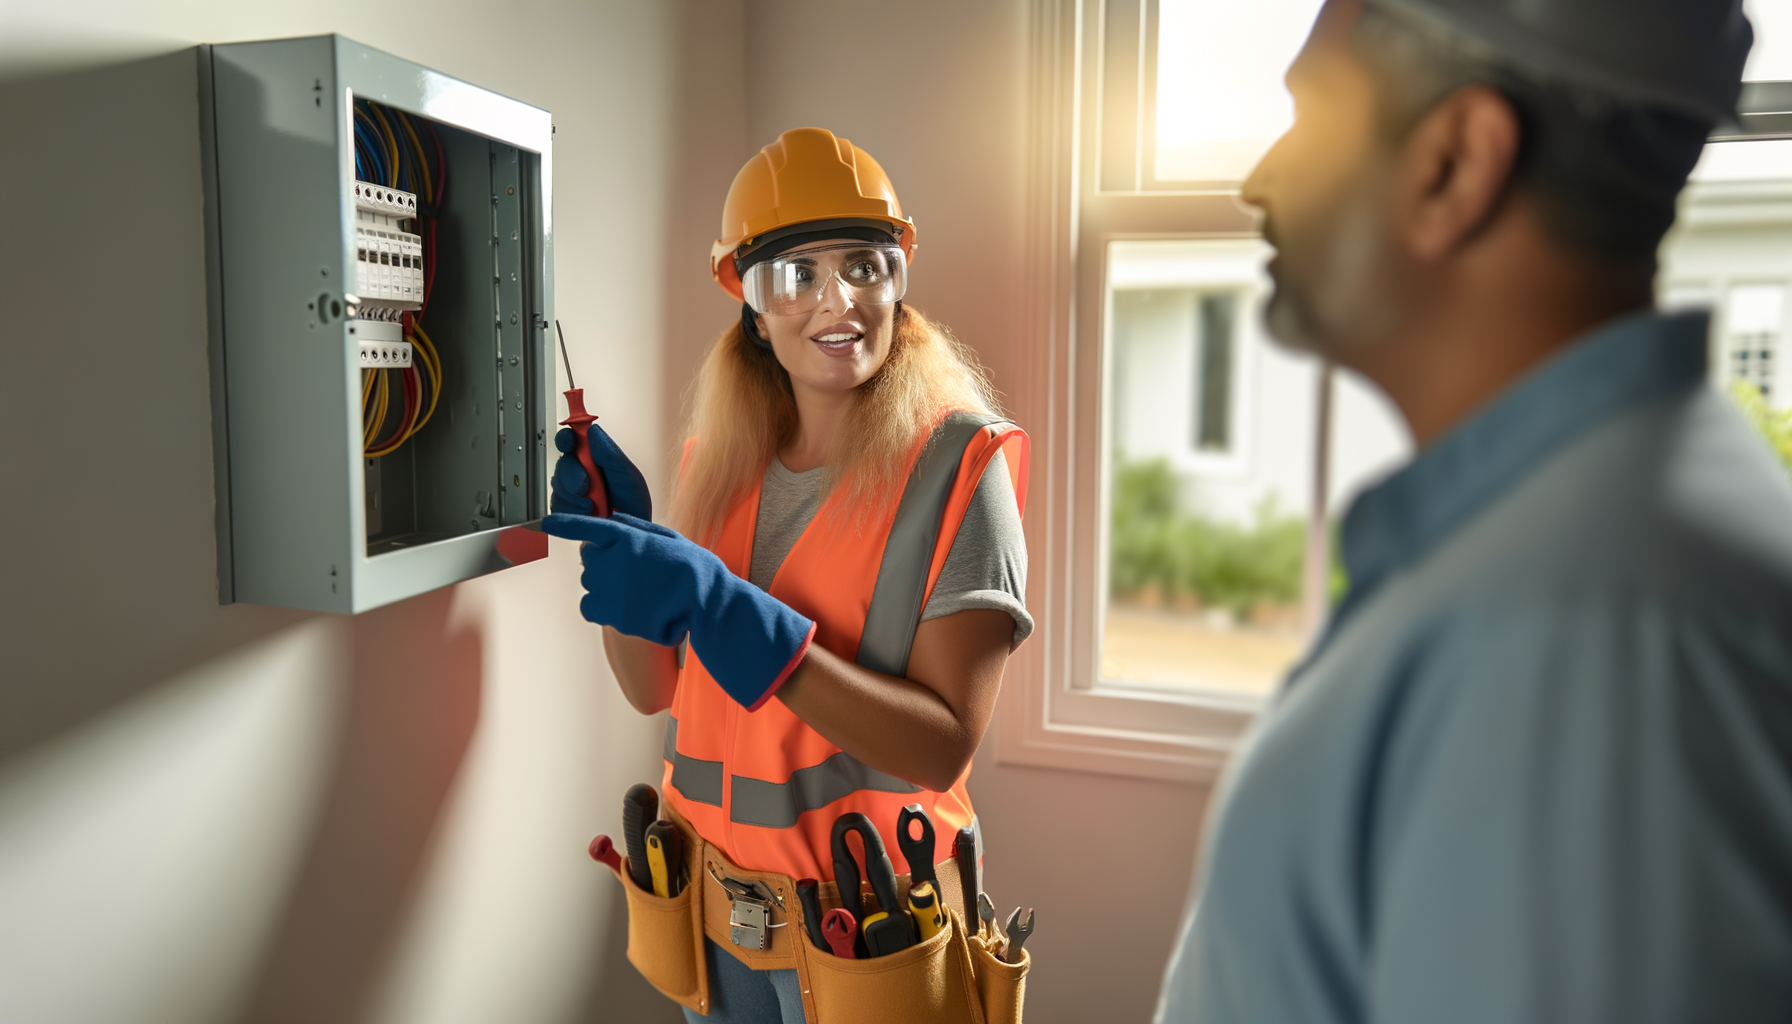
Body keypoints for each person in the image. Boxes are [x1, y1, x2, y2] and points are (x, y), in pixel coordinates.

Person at [1156, 0, 1792, 1021]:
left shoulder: (1600, 634)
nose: (1259, 179)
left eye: (1309, 118)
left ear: (1454, 162)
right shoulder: (1559, 551)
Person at [543, 127, 1030, 1024]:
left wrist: (735, 616)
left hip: (872, 940)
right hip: (714, 930)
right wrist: (629, 545)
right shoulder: (722, 463)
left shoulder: (960, 468)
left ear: (898, 281)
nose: (835, 299)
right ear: (751, 308)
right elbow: (651, 689)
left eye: (864, 265)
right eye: (794, 274)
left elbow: (940, 744)